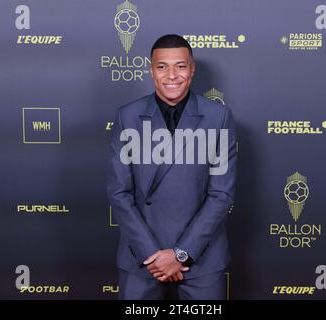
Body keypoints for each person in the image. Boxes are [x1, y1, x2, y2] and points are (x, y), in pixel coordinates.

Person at [107, 34, 237, 300]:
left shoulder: (218, 117)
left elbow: (221, 195)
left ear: (192, 69)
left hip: (202, 259)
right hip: (141, 259)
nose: (171, 75)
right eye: (162, 66)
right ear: (151, 69)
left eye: (180, 66)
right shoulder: (127, 117)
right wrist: (152, 255)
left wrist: (180, 254)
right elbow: (119, 193)